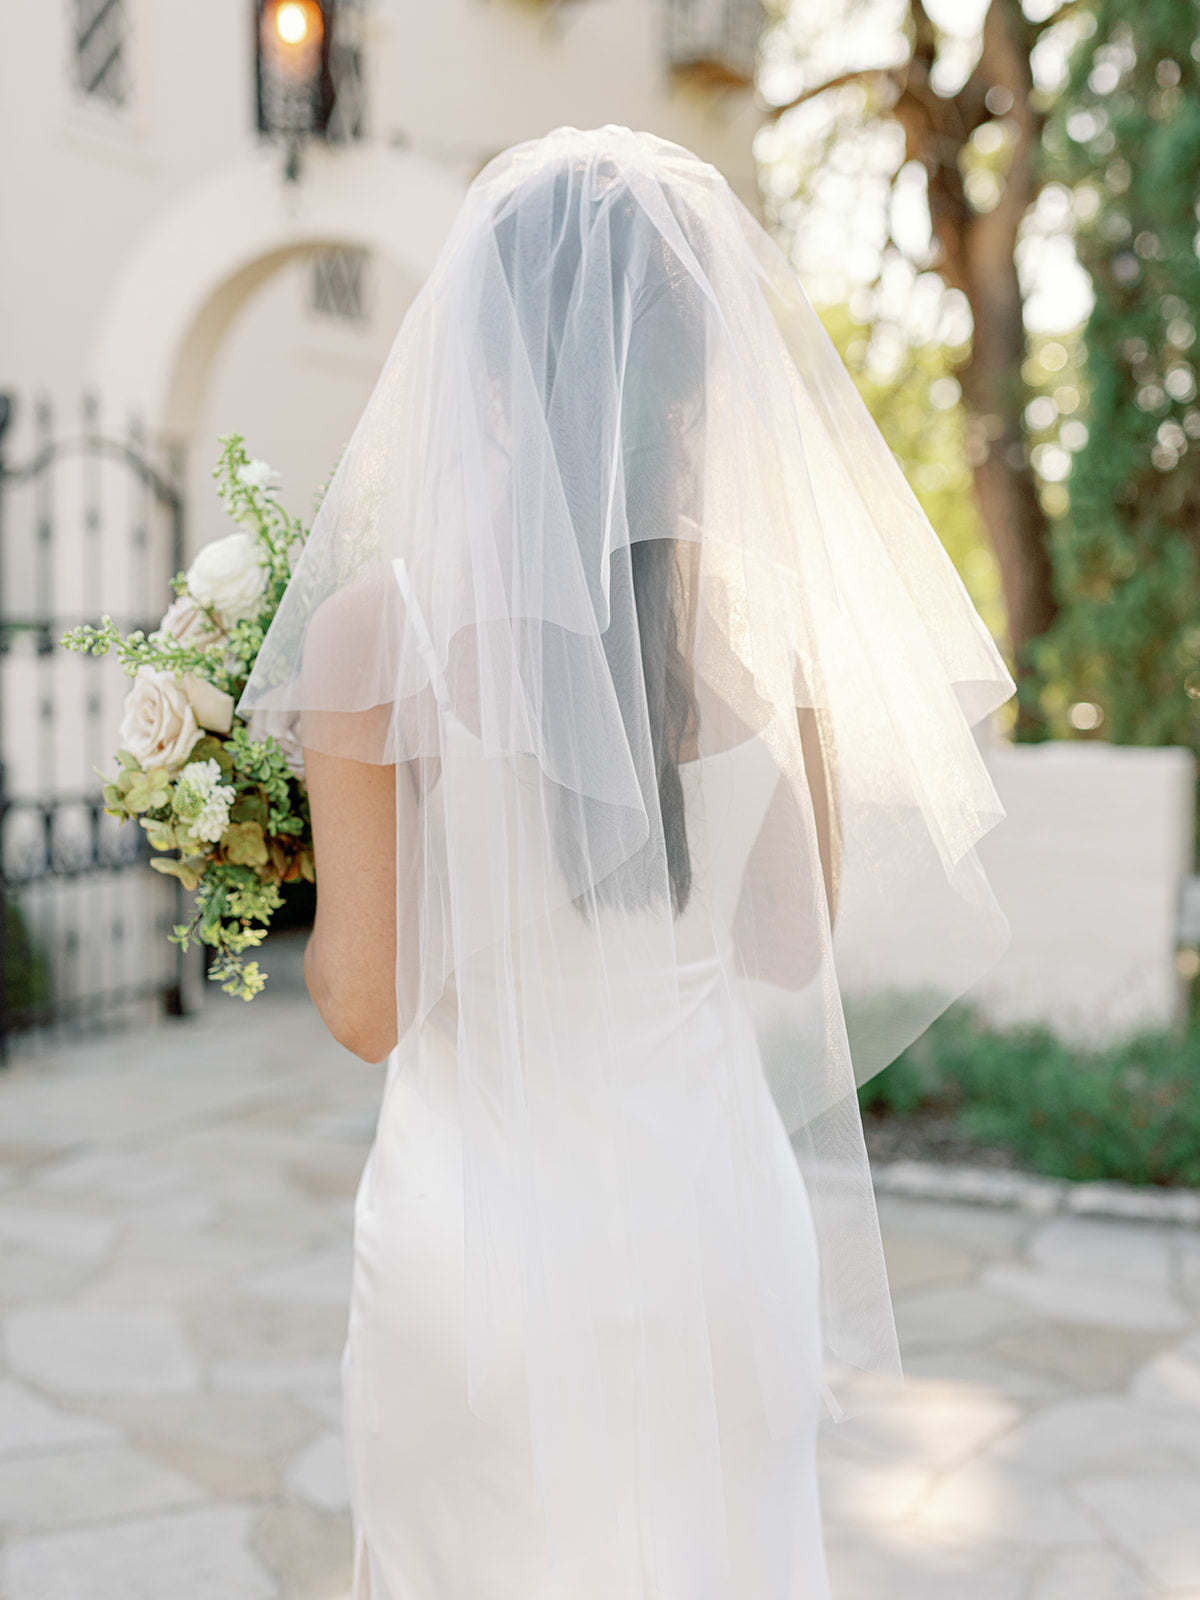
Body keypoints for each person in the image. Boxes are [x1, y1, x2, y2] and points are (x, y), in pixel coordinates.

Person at [239, 124, 1014, 1600]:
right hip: (708, 1231)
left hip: (482, 1261)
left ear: (479, 362)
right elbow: (789, 944)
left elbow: (363, 1007)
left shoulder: (372, 637)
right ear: (707, 377)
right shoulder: (761, 633)